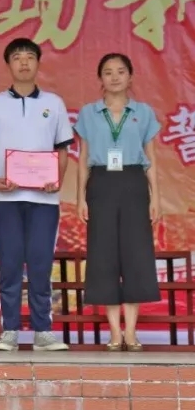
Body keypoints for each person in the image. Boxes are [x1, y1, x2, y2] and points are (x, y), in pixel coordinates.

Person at [0, 38, 73, 352]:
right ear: (8, 64)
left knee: (40, 264)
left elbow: (62, 150)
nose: (23, 62)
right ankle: (9, 330)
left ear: (38, 63)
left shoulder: (54, 103)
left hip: (44, 200)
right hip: (4, 199)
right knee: (9, 264)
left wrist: (56, 180)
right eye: (17, 57)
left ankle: (43, 331)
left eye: (29, 57)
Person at [74, 53, 161, 352]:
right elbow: (83, 159)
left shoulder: (143, 112)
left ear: (130, 76)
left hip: (134, 182)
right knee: (104, 255)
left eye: (121, 71)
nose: (114, 77)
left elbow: (151, 159)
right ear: (100, 78)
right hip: (101, 184)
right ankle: (114, 332)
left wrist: (156, 197)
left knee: (136, 255)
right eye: (108, 72)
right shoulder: (88, 113)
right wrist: (81, 197)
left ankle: (132, 332)